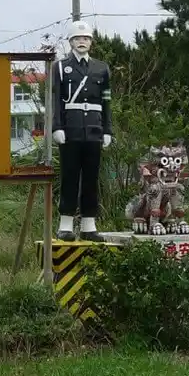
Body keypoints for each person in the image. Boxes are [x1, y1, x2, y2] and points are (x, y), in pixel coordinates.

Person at [50, 20, 113, 241]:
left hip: (94, 129)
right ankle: (65, 225)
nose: (82, 42)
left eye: (85, 38)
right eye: (77, 38)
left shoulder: (102, 68)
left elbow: (106, 101)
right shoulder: (60, 66)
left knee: (91, 178)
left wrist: (107, 129)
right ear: (71, 42)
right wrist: (57, 126)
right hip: (71, 128)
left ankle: (89, 225)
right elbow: (56, 100)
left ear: (91, 42)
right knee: (69, 177)